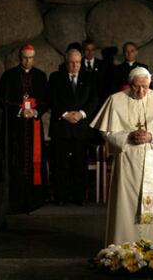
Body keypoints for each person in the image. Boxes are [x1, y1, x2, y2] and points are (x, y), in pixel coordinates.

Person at [91, 67, 153, 246]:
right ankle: (124, 245)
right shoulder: (116, 100)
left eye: (145, 87)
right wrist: (126, 137)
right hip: (127, 162)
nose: (141, 91)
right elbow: (106, 131)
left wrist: (152, 137)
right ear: (130, 84)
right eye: (137, 87)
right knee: (127, 204)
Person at [0, 44, 48, 213]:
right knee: (15, 160)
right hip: (15, 128)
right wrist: (19, 110)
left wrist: (35, 111)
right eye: (25, 57)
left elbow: (46, 101)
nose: (28, 61)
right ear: (20, 57)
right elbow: (2, 99)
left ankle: (34, 200)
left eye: (31, 58)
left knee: (35, 161)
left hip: (34, 125)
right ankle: (15, 200)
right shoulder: (9, 75)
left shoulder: (40, 76)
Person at [48, 49, 98, 205]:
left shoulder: (89, 78)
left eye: (78, 62)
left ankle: (79, 197)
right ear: (66, 62)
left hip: (81, 129)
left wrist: (81, 113)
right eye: (72, 62)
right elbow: (51, 99)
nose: (75, 65)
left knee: (80, 165)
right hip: (61, 128)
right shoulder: (55, 78)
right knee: (60, 164)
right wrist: (65, 114)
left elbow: (94, 100)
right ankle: (61, 197)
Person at [81, 39, 107, 106]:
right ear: (83, 51)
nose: (90, 52)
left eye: (92, 50)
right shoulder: (78, 64)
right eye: (87, 49)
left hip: (99, 102)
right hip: (82, 103)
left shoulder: (103, 65)